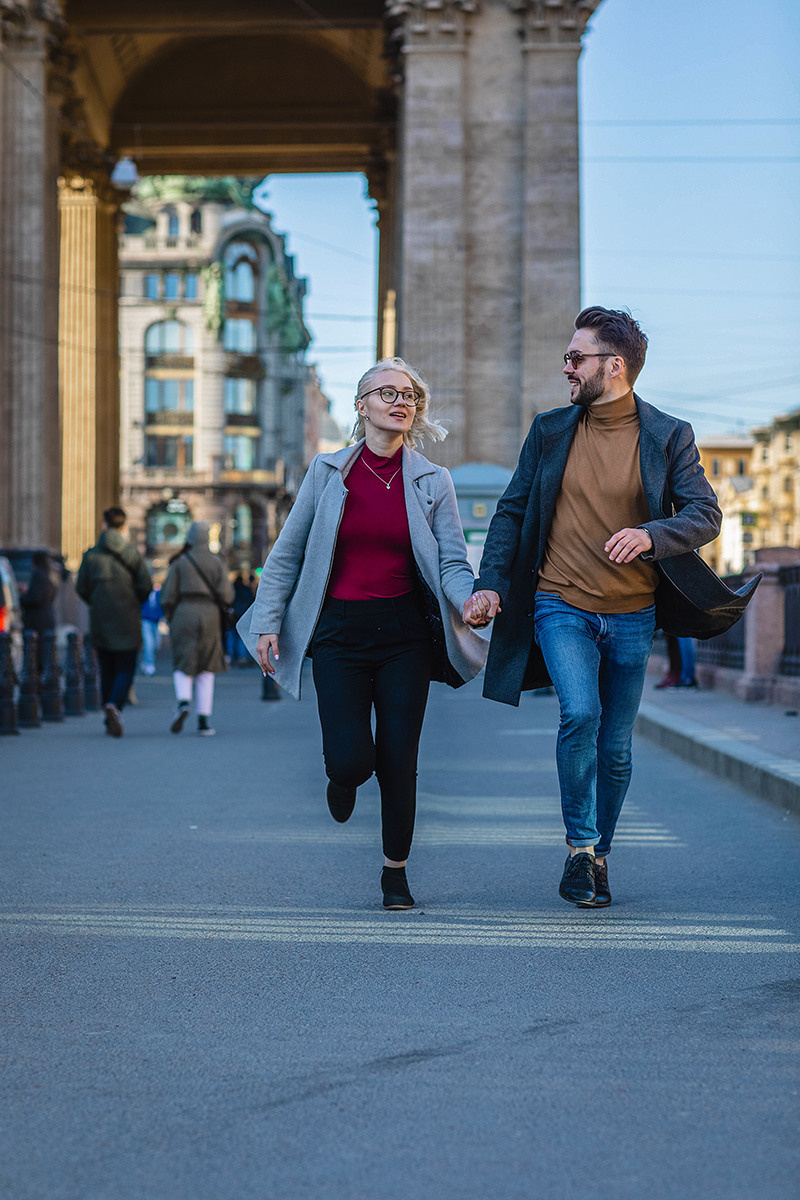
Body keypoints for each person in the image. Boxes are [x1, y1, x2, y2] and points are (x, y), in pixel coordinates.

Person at [463, 307, 725, 909]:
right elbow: (510, 510)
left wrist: (653, 535)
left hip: (633, 613)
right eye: (567, 356)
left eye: (576, 358)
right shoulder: (551, 430)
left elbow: (704, 513)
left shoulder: (668, 434)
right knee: (578, 714)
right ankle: (581, 848)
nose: (566, 367)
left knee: (617, 746)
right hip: (561, 601)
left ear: (614, 366)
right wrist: (492, 583)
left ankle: (597, 857)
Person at [238, 357, 488, 910]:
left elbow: (451, 559)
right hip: (339, 636)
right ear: (362, 405)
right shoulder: (328, 472)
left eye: (410, 396)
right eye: (388, 393)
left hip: (404, 636)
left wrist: (467, 598)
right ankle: (343, 774)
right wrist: (265, 623)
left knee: (400, 758)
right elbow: (288, 553)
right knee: (351, 761)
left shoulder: (432, 480)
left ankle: (394, 873)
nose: (401, 402)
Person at [76, 507, 152, 737]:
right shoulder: (132, 554)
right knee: (126, 667)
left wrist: (98, 603)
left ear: (104, 525)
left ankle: (108, 712)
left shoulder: (91, 556)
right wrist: (132, 601)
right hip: (127, 619)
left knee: (106, 667)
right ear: (124, 527)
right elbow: (146, 585)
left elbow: (81, 588)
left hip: (100, 620)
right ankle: (114, 705)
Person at [161, 521, 233, 737]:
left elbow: (167, 595)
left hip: (183, 612)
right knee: (207, 665)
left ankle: (183, 701)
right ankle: (204, 721)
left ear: (190, 537)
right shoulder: (217, 561)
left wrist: (171, 615)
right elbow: (228, 596)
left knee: (184, 659)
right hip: (210, 614)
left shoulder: (180, 562)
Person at [20, 551, 57, 672]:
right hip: (45, 618)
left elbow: (36, 598)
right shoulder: (48, 574)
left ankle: (38, 679)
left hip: (38, 620)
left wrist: (22, 598)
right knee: (43, 651)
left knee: (37, 652)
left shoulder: (39, 575)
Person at [140, 586, 163, 675]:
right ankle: (149, 664)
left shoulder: (159, 593)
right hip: (145, 620)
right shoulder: (145, 593)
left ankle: (146, 660)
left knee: (156, 643)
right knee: (149, 642)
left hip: (155, 621)